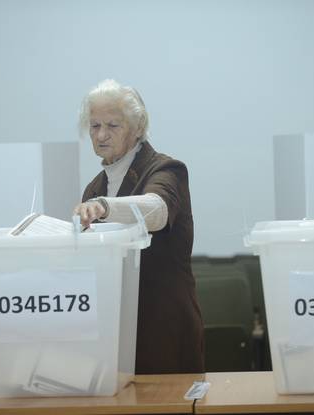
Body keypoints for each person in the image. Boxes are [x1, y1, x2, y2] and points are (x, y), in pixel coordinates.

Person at [73, 79, 204, 374]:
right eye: (94, 126)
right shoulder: (95, 187)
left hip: (162, 329)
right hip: (113, 334)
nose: (102, 135)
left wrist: (106, 208)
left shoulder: (166, 169)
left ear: (137, 127)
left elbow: (156, 210)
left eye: (113, 126)